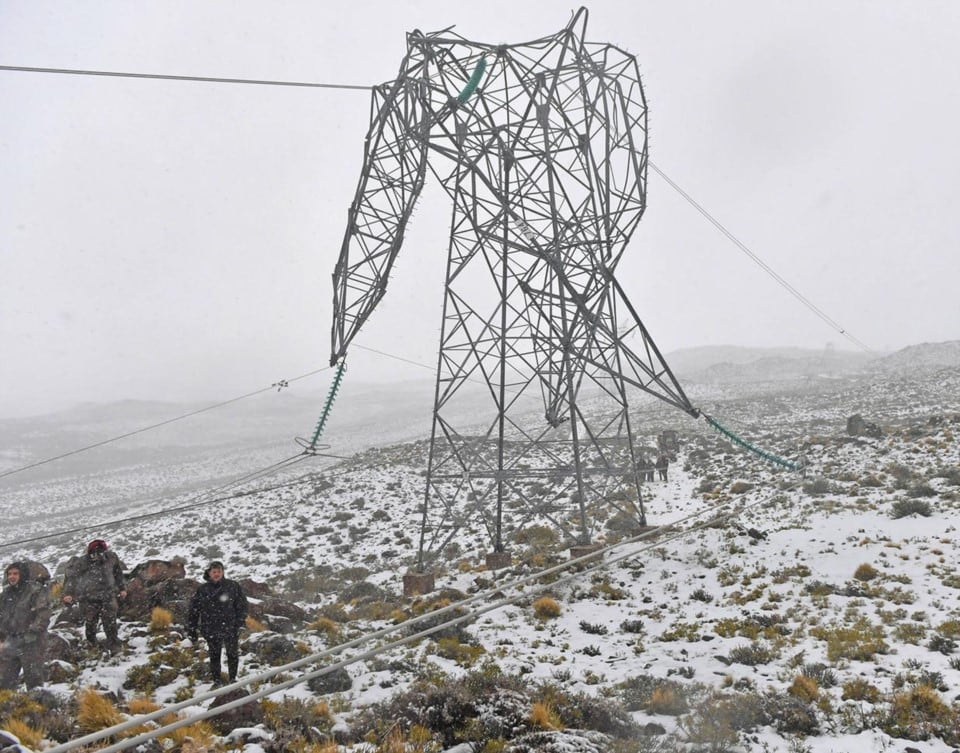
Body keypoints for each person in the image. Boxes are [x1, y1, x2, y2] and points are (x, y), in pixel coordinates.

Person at [187, 561, 248, 686]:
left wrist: (240, 623)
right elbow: (194, 610)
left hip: (231, 627)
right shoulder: (203, 589)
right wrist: (192, 629)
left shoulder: (233, 586)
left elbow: (242, 606)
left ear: (223, 572)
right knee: (215, 656)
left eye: (219, 571)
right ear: (209, 573)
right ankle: (217, 681)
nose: (217, 574)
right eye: (214, 572)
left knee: (232, 654)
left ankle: (232, 679)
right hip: (211, 628)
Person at [62, 539, 127, 654]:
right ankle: (92, 644)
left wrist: (122, 588)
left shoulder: (111, 558)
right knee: (91, 623)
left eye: (100, 552)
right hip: (88, 599)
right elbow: (72, 578)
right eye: (93, 553)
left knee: (110, 622)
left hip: (108, 596)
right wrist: (68, 593)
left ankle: (114, 646)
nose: (97, 555)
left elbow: (118, 573)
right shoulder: (81, 562)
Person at [0, 562, 51, 689]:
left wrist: (32, 632)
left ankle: (36, 707)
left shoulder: (35, 590)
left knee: (34, 679)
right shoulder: (5, 594)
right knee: (4, 680)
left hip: (32, 642)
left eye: (15, 573)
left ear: (22, 575)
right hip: (10, 641)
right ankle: (7, 706)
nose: (12, 576)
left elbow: (43, 614)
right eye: (9, 574)